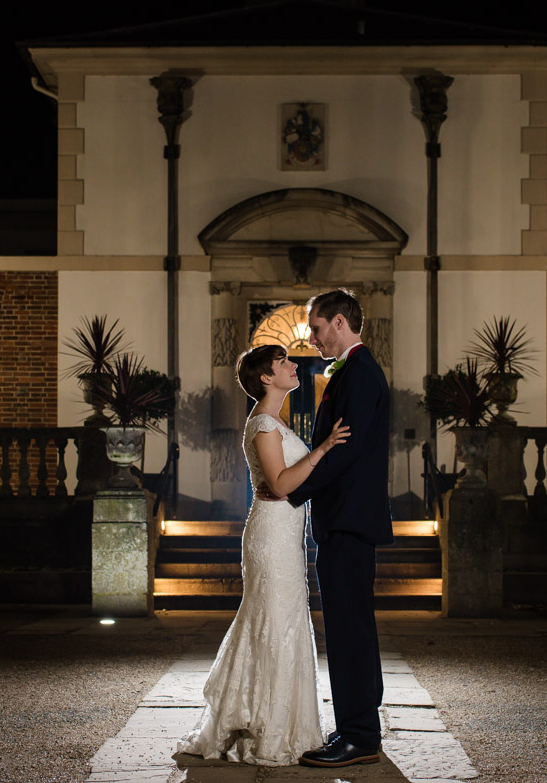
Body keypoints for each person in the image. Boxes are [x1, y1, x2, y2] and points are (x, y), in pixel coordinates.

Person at [177, 344, 350, 766]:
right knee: (273, 622)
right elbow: (283, 483)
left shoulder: (272, 421)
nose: (294, 366)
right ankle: (266, 727)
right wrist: (324, 449)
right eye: (284, 362)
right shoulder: (264, 426)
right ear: (266, 378)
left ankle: (278, 720)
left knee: (282, 620)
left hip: (284, 534)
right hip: (271, 535)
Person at [285, 288, 393, 768]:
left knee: (348, 631)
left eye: (317, 327)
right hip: (345, 519)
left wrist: (293, 491)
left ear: (340, 323)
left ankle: (358, 735)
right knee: (354, 627)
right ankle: (361, 727)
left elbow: (345, 450)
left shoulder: (362, 374)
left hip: (348, 519)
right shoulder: (355, 372)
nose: (313, 338)